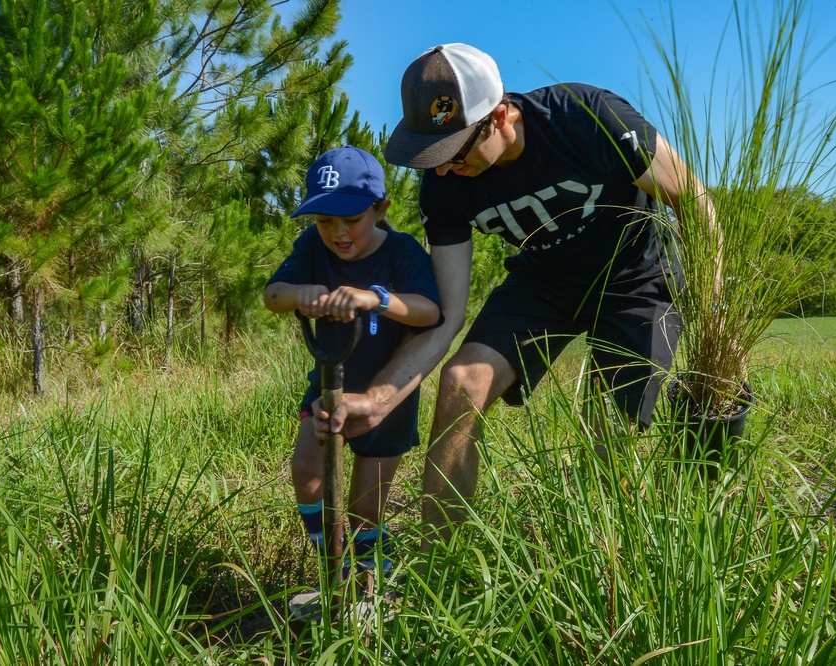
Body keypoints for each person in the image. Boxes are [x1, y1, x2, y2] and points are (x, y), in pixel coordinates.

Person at [311, 44, 716, 544]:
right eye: (432, 155)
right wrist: (378, 400)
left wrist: (715, 318)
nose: (442, 169)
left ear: (500, 114)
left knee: (607, 428)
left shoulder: (587, 118)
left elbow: (693, 202)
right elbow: (449, 315)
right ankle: (444, 570)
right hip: (544, 281)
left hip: (637, 276)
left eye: (455, 152)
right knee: (461, 382)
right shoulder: (443, 185)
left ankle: (605, 564)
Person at [264, 146, 442, 592]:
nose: (339, 233)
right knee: (308, 475)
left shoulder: (401, 251)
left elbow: (429, 311)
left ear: (380, 209)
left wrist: (373, 298)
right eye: (325, 221)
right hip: (328, 387)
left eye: (352, 219)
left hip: (389, 398)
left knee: (366, 507)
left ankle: (372, 584)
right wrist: (302, 293)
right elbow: (273, 295)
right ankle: (334, 568)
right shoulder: (311, 247)